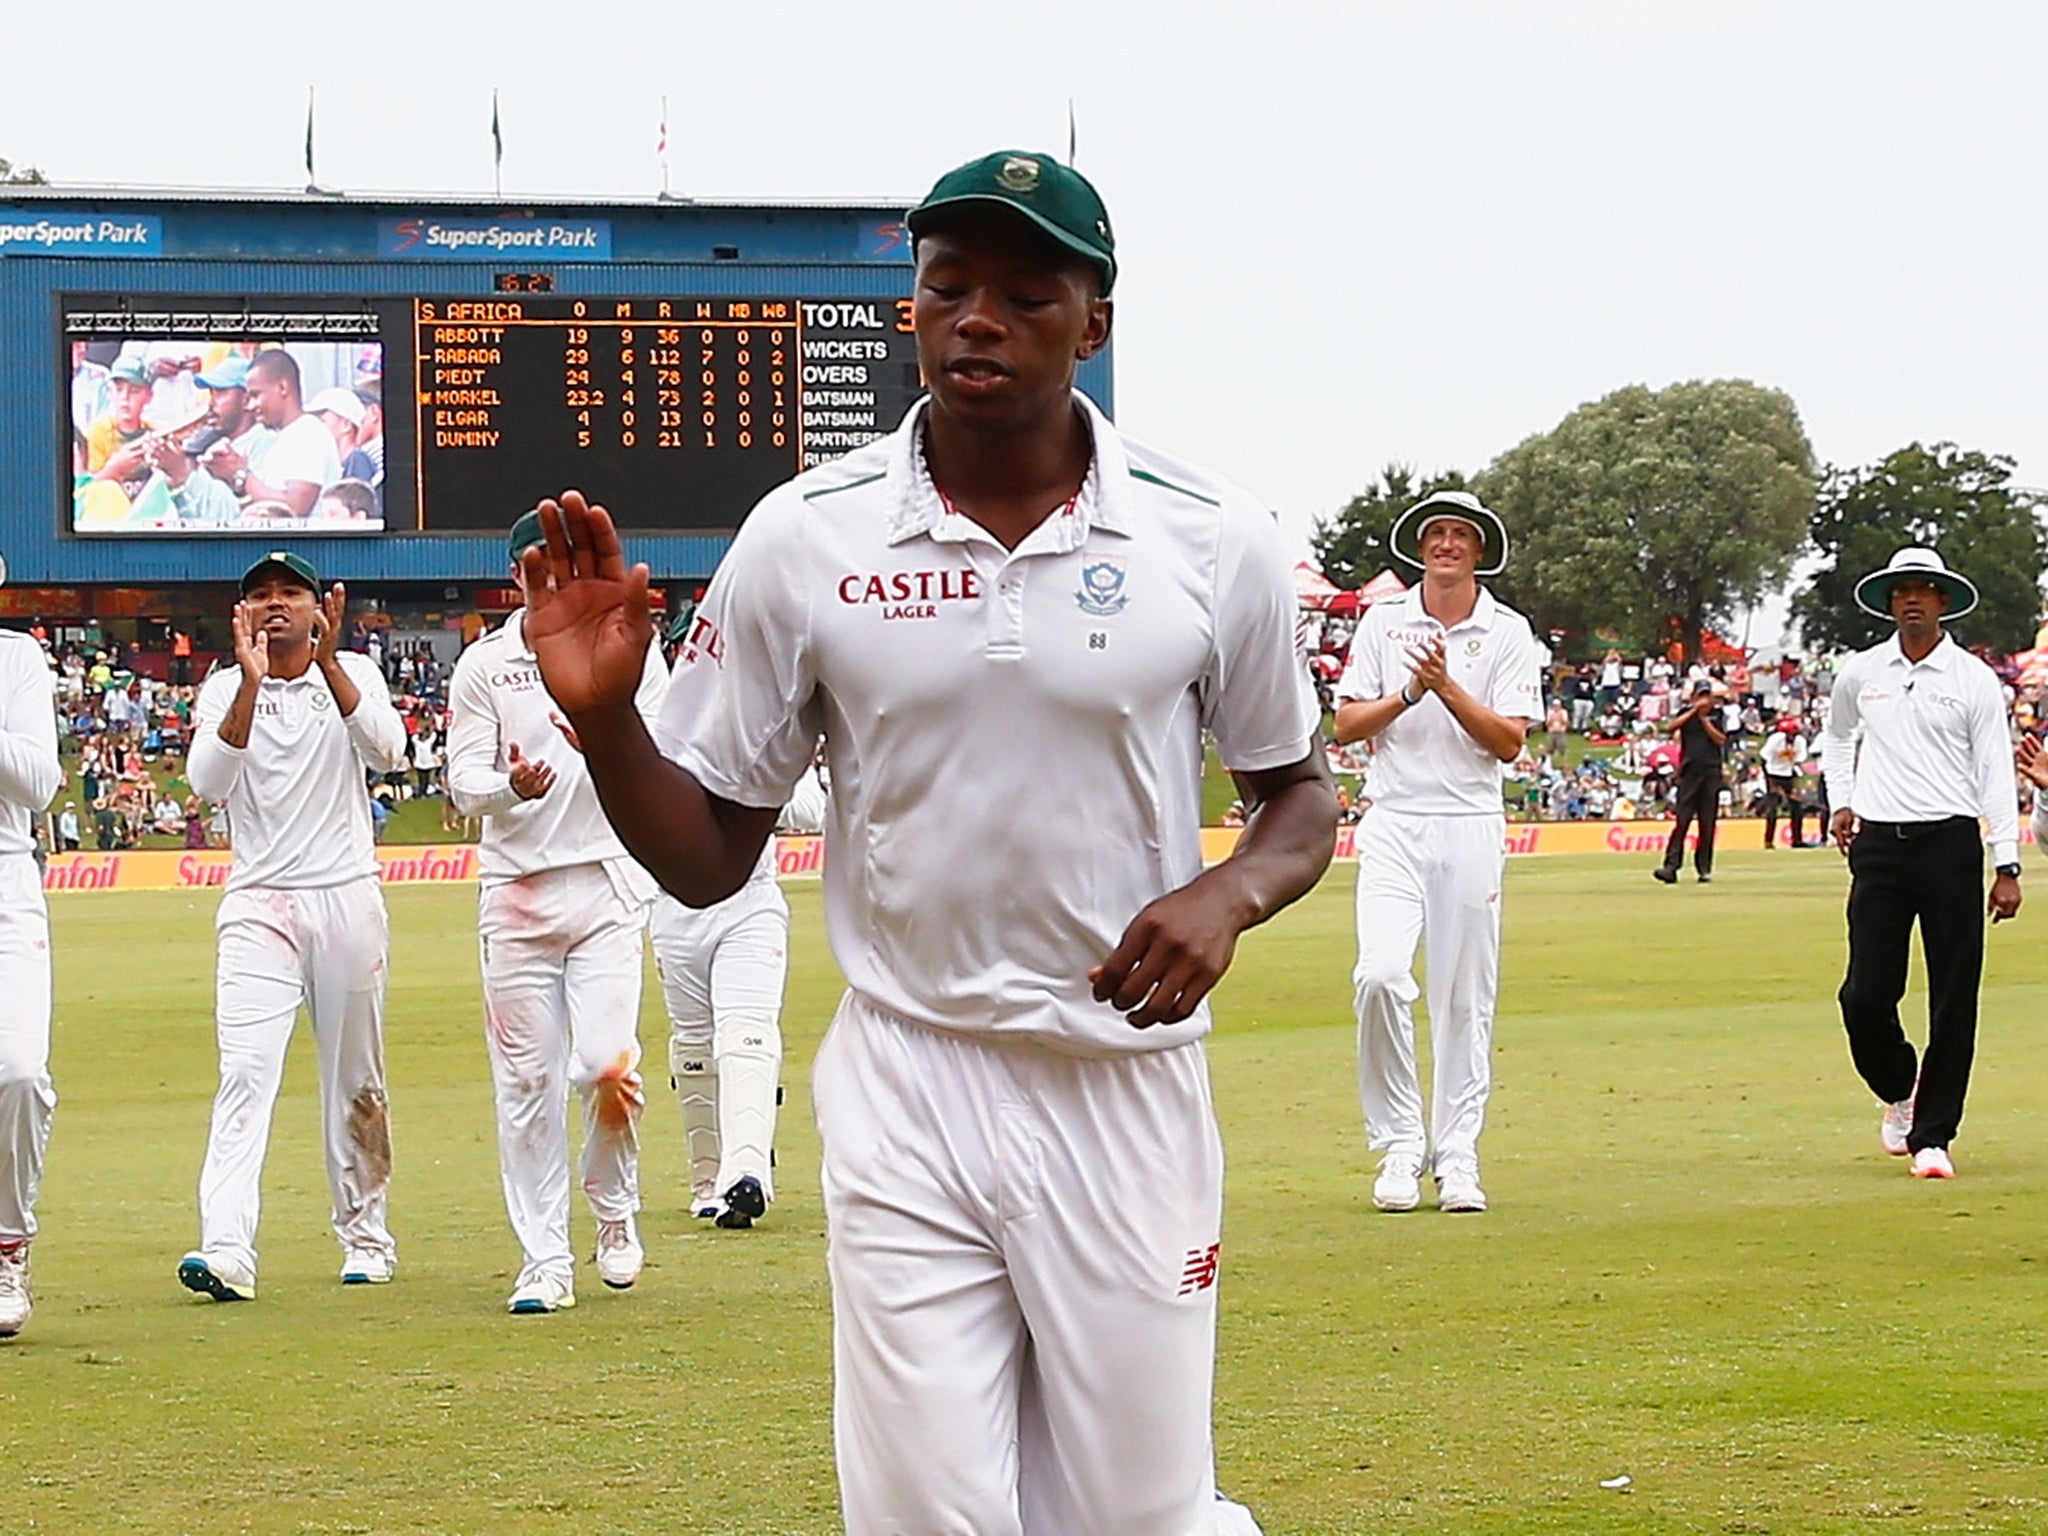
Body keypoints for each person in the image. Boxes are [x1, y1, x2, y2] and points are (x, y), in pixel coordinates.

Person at [521, 149, 1333, 1536]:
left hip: (1120, 1083)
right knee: (917, 1517)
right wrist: (608, 726)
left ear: (1098, 320)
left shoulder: (1212, 538)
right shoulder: (804, 537)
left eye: (1026, 293)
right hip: (911, 1076)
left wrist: (1231, 891)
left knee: (1139, 1516)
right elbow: (714, 857)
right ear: (907, 308)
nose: (977, 320)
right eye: (947, 286)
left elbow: (1300, 795)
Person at [445, 512, 668, 1315]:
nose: (554, 580)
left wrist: (612, 744)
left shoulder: (631, 646)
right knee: (526, 1082)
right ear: (517, 577)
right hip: (517, 891)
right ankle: (543, 1256)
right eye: (538, 568)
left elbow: (672, 748)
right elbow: (464, 784)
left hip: (606, 882)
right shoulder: (487, 665)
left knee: (606, 1067)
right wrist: (514, 788)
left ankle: (613, 1211)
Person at [179, 552, 409, 1301]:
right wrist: (251, 682)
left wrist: (332, 664)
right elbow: (209, 783)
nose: (276, 605)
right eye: (260, 596)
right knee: (245, 1071)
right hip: (259, 902)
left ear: (319, 607)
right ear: (241, 614)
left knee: (356, 1080)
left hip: (344, 895)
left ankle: (367, 1236)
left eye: (291, 594)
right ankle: (227, 1247)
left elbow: (389, 751)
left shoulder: (355, 676)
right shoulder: (222, 688)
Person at [1332, 489, 1542, 1215]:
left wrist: (1446, 685)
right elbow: (1347, 725)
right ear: (1421, 546)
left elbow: (1510, 741)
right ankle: (1398, 1144)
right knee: (1381, 975)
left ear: (1480, 548)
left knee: (1463, 999)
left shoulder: (1507, 631)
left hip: (1469, 821)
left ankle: (1458, 1155)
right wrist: (1409, 695)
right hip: (1393, 819)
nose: (1446, 543)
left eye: (1460, 534)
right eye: (1436, 533)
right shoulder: (1383, 623)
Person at [1822, 548, 2019, 1180]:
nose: (1913, 600)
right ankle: (1899, 1085)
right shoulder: (1860, 673)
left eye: (1925, 591)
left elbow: (1993, 770)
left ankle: (1934, 1135)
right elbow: (1837, 736)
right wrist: (1843, 800)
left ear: (1943, 602)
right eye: (1903, 591)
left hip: (1951, 845)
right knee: (1864, 995)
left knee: (1954, 996)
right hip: (1878, 844)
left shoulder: (1971, 679)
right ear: (1889, 602)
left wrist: (2007, 863)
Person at [649, 610, 807, 1231]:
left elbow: (807, 803)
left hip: (750, 904)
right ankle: (706, 1175)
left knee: (744, 1034)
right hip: (675, 912)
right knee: (694, 1051)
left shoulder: (760, 722)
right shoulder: (650, 730)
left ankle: (748, 1172)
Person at [0, 616, 62, 1337]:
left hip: (7, 876)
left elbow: (41, 783)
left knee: (17, 1071)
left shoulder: (16, 659)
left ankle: (8, 1245)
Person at [199, 351, 341, 521]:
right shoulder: (284, 437)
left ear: (282, 388)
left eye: (256, 395)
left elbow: (295, 508)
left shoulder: (308, 433)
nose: (251, 405)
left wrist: (240, 475)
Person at [1652, 681, 1727, 884]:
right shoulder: (1686, 712)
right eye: (1700, 695)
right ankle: (1671, 866)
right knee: (1682, 820)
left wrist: (1704, 720)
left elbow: (1720, 739)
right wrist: (1694, 711)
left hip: (1711, 772)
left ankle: (1704, 868)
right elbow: (1670, 727)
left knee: (1707, 822)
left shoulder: (1717, 715)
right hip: (1689, 772)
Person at [1760, 716, 1811, 849]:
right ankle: (1768, 841)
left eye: (1792, 734)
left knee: (1797, 808)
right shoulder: (1775, 740)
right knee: (1772, 809)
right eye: (1787, 734)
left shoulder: (1800, 742)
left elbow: (1797, 763)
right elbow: (1764, 761)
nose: (1790, 737)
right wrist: (1772, 785)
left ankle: (1797, 840)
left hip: (1788, 775)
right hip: (1772, 774)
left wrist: (1794, 787)